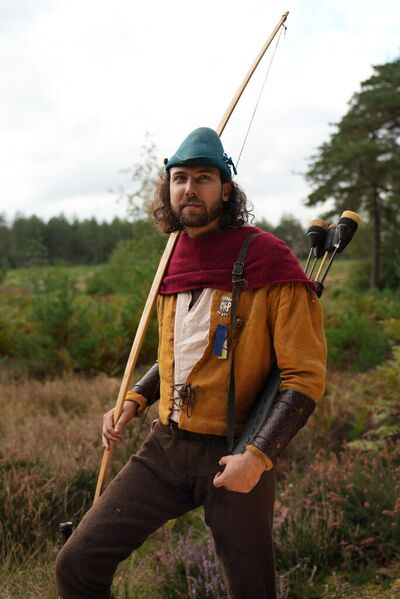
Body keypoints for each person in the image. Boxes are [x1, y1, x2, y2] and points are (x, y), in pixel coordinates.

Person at [56, 127, 327, 599]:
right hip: (165, 448)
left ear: (226, 189)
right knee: (76, 565)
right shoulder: (173, 257)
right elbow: (179, 353)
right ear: (168, 188)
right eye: (180, 178)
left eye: (204, 178)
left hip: (237, 449)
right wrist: (136, 398)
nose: (189, 188)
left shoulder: (269, 260)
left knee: (252, 591)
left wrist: (256, 457)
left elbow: (303, 378)